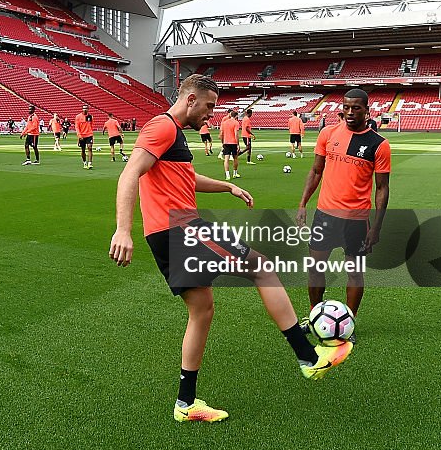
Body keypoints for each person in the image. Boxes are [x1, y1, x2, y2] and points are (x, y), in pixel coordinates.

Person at [109, 74, 352, 423]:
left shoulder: (173, 133)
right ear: (190, 99)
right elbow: (130, 173)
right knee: (262, 267)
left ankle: (186, 403)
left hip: (170, 231)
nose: (211, 115)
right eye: (208, 106)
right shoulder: (161, 127)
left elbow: (184, 179)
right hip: (181, 229)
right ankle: (309, 359)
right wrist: (122, 229)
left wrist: (227, 187)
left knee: (202, 311)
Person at [297, 88, 390, 339]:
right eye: (346, 107)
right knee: (315, 268)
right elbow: (316, 171)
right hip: (325, 216)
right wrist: (303, 203)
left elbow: (382, 188)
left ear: (366, 110)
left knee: (355, 272)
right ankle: (315, 315)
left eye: (356, 108)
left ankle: (348, 324)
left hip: (356, 221)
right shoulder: (327, 134)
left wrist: (377, 227)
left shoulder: (379, 145)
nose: (350, 112)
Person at [219, 109, 240, 179]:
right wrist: (238, 144)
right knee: (235, 158)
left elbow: (221, 134)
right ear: (236, 116)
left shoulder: (225, 122)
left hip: (226, 142)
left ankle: (227, 175)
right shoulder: (236, 123)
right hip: (233, 142)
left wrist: (222, 142)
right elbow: (236, 134)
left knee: (226, 159)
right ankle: (235, 173)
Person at [75, 105, 94, 169]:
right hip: (82, 135)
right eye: (84, 108)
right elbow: (77, 127)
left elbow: (91, 125)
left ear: (88, 109)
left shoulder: (90, 116)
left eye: (86, 108)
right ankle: (84, 162)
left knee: (90, 147)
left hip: (89, 134)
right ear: (82, 109)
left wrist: (91, 134)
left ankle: (90, 163)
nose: (85, 110)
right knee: (83, 150)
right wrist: (79, 136)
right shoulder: (78, 117)